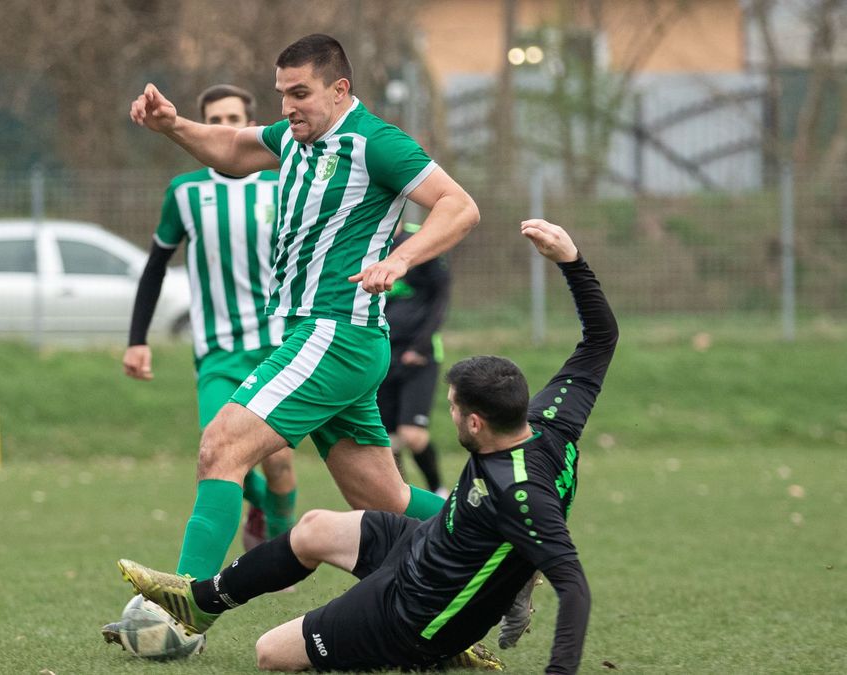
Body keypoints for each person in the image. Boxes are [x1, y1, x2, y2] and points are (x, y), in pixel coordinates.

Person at [118, 219, 618, 674]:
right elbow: (600, 338)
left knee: (270, 653)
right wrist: (571, 260)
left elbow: (573, 587)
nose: (446, 414)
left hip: (415, 609)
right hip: (423, 546)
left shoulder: (522, 492)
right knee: (314, 528)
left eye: (449, 407)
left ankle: (435, 653)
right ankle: (200, 600)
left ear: (474, 421)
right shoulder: (552, 421)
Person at [126, 33, 479, 586]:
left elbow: (460, 206)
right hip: (331, 339)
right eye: (281, 93)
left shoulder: (374, 142)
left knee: (221, 445)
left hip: (335, 333)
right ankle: (505, 547)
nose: (288, 106)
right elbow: (233, 150)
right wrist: (172, 124)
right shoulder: (293, 138)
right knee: (383, 497)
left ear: (340, 90)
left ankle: (180, 613)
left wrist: (401, 259)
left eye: (300, 93)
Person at [121, 84, 297, 554]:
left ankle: (278, 543)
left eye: (232, 118)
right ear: (201, 125)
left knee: (278, 465)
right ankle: (251, 536)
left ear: (250, 123)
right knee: (216, 450)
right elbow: (155, 266)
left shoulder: (281, 183)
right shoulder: (185, 192)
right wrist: (137, 339)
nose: (224, 128)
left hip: (279, 348)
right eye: (214, 120)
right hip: (218, 351)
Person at [377, 221, 452, 497]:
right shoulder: (367, 241)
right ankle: (400, 502)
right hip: (381, 353)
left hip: (418, 355)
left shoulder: (420, 239)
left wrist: (421, 346)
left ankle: (439, 491)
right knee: (387, 441)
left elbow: (442, 296)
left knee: (413, 435)